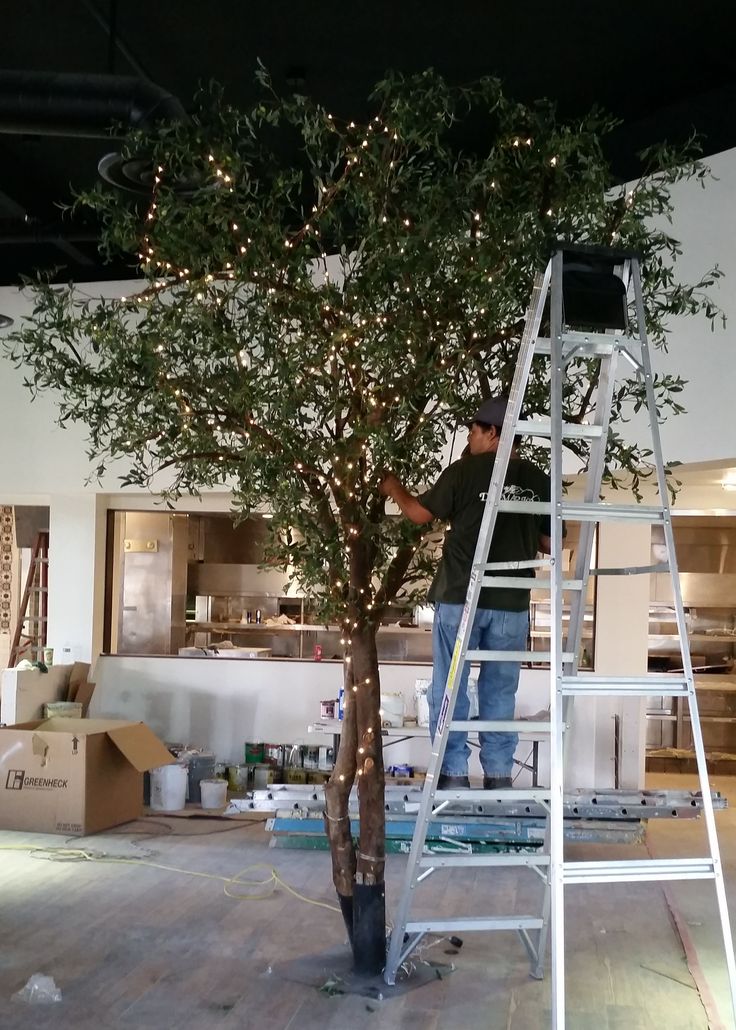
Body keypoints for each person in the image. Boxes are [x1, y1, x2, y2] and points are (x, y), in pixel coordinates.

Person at [379, 397, 551, 789]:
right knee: (501, 687)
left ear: (492, 433)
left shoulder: (464, 472)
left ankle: (453, 772)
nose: (470, 438)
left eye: (474, 431)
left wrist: (393, 487)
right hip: (511, 603)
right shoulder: (538, 479)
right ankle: (499, 774)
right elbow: (550, 542)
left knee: (450, 685)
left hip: (462, 596)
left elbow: (421, 515)